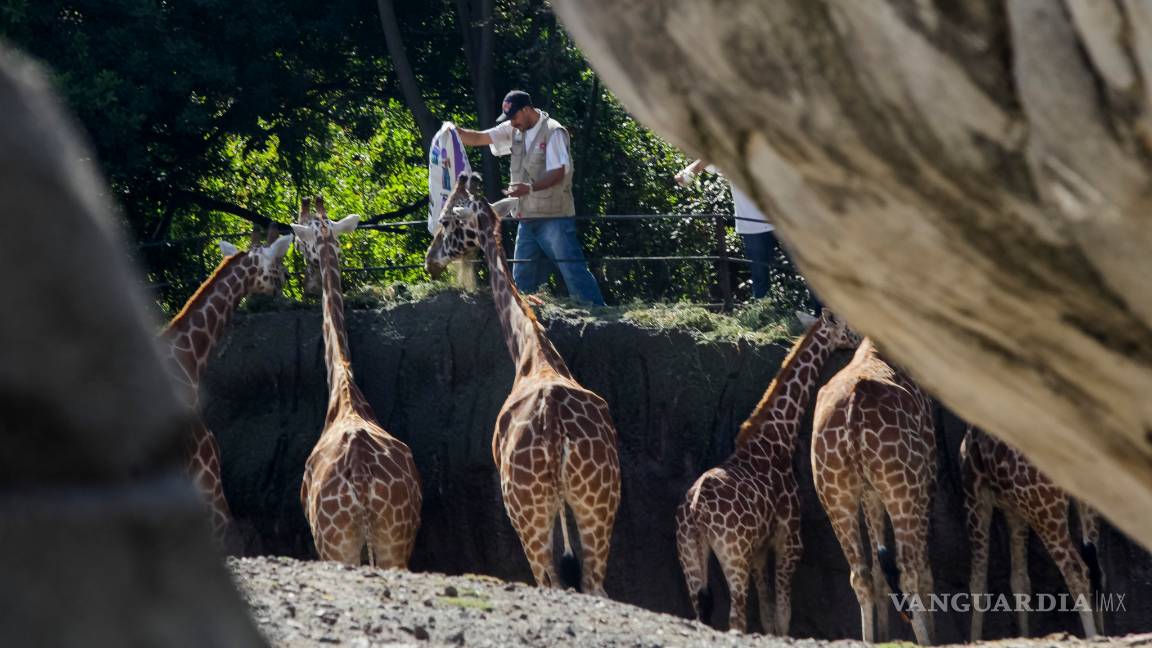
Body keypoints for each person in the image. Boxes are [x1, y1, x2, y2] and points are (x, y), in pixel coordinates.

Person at [455, 90, 605, 306]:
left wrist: (529, 188)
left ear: (526, 110)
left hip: (554, 218)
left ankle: (598, 314)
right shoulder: (515, 129)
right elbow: (479, 137)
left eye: (514, 117)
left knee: (573, 271)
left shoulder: (553, 132)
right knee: (523, 278)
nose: (512, 123)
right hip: (526, 218)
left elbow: (558, 173)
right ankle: (531, 321)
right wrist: (452, 131)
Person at [675, 159, 822, 308]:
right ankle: (763, 318)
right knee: (760, 277)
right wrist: (687, 173)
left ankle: (824, 317)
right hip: (753, 223)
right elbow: (705, 159)